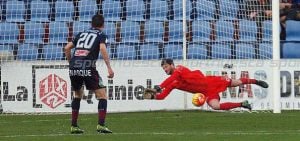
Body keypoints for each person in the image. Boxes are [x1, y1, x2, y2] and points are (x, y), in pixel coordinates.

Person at [143, 58, 269, 111]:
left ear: (172, 65)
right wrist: (153, 97)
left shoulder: (179, 69)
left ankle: (256, 81)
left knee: (235, 83)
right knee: (215, 106)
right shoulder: (173, 83)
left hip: (211, 81)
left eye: (166, 67)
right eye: (163, 68)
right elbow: (163, 95)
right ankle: (243, 104)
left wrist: (159, 86)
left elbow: (171, 79)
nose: (165, 70)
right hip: (207, 92)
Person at [64, 14, 114, 134]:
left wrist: (71, 62)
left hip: (74, 67)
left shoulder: (81, 33)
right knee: (102, 95)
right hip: (88, 66)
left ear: (92, 24)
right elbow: (102, 49)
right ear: (103, 24)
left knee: (77, 95)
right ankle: (101, 125)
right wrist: (109, 68)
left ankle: (74, 126)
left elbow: (67, 48)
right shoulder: (101, 35)